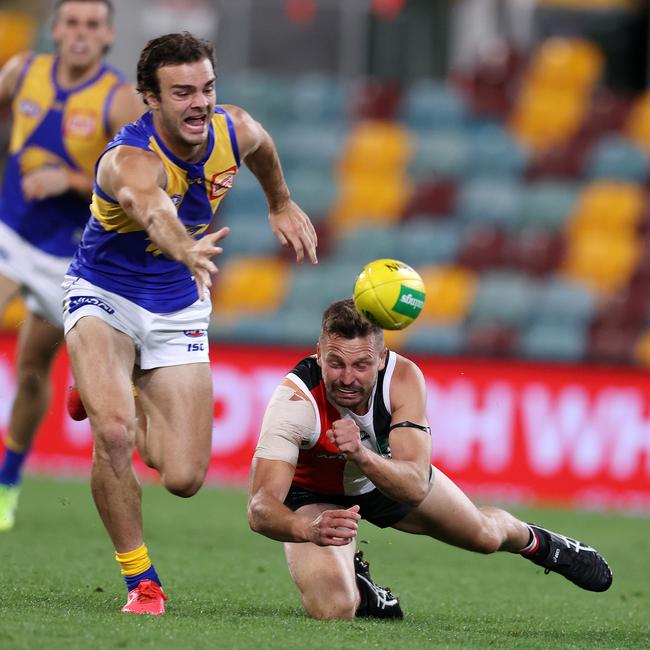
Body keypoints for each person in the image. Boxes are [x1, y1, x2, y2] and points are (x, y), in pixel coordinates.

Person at [61, 31, 318, 617]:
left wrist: (279, 201)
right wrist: (185, 248)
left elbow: (263, 148)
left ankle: (112, 384)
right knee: (116, 434)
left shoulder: (235, 128)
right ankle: (142, 581)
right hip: (105, 295)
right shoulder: (128, 160)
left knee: (184, 476)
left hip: (177, 305)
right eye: (182, 92)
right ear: (149, 98)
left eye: (207, 88)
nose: (199, 102)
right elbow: (152, 209)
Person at [247, 299, 613, 620]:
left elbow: (414, 485)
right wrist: (307, 529)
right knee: (334, 609)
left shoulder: (403, 378)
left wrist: (360, 453)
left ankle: (538, 542)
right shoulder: (295, 403)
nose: (347, 378)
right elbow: (260, 507)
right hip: (313, 499)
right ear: (318, 353)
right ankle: (360, 586)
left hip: (383, 478)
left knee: (484, 538)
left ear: (381, 359)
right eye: (335, 363)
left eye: (360, 365)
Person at [0, 0, 144, 531]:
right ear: (55, 29)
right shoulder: (21, 72)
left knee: (32, 370)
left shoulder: (117, 100)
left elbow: (137, 184)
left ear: (107, 37)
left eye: (93, 25)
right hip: (10, 232)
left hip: (71, 255)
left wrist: (71, 180)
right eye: (73, 23)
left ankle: (7, 481)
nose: (81, 33)